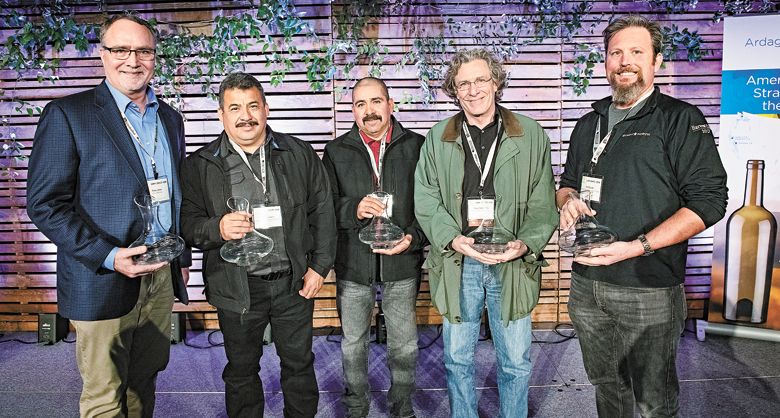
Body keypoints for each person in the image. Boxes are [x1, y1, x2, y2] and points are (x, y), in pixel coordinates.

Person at [557, 15, 728, 417]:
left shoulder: (680, 119)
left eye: (636, 52)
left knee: (653, 401)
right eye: (616, 52)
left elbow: (708, 202)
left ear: (657, 61)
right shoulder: (589, 122)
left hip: (648, 286)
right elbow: (566, 182)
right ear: (605, 62)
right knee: (607, 388)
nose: (625, 61)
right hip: (587, 284)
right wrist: (565, 201)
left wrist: (636, 247)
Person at [26, 13, 190, 417]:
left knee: (143, 382)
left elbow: (175, 196)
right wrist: (109, 255)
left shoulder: (170, 118)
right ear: (103, 55)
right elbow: (46, 204)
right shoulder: (69, 114)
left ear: (154, 57)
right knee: (103, 396)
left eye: (143, 50)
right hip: (102, 274)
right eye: (121, 49)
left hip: (159, 274)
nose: (132, 60)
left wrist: (180, 260)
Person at [179, 72, 336, 417]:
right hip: (236, 286)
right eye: (234, 107)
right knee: (241, 370)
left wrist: (319, 268)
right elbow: (187, 225)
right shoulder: (200, 165)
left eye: (253, 105)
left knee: (298, 365)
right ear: (221, 115)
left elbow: (323, 211)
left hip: (293, 283)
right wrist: (217, 227)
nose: (245, 116)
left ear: (266, 109)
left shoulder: (298, 153)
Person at [414, 49, 558, 418]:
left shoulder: (530, 135)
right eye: (463, 83)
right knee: (457, 359)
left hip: (511, 262)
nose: (473, 89)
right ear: (454, 90)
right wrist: (452, 237)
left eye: (480, 80)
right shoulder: (437, 138)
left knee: (515, 360)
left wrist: (525, 244)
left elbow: (544, 203)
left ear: (496, 83)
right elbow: (426, 199)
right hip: (457, 261)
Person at [322, 77, 426, 418]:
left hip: (402, 261)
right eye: (360, 104)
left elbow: (430, 205)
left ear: (390, 104)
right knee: (353, 344)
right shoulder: (336, 151)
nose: (369, 111)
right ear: (352, 110)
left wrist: (412, 238)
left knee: (405, 345)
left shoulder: (417, 147)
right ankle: (356, 408)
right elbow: (324, 207)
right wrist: (353, 208)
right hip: (354, 263)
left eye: (376, 102)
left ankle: (402, 407)